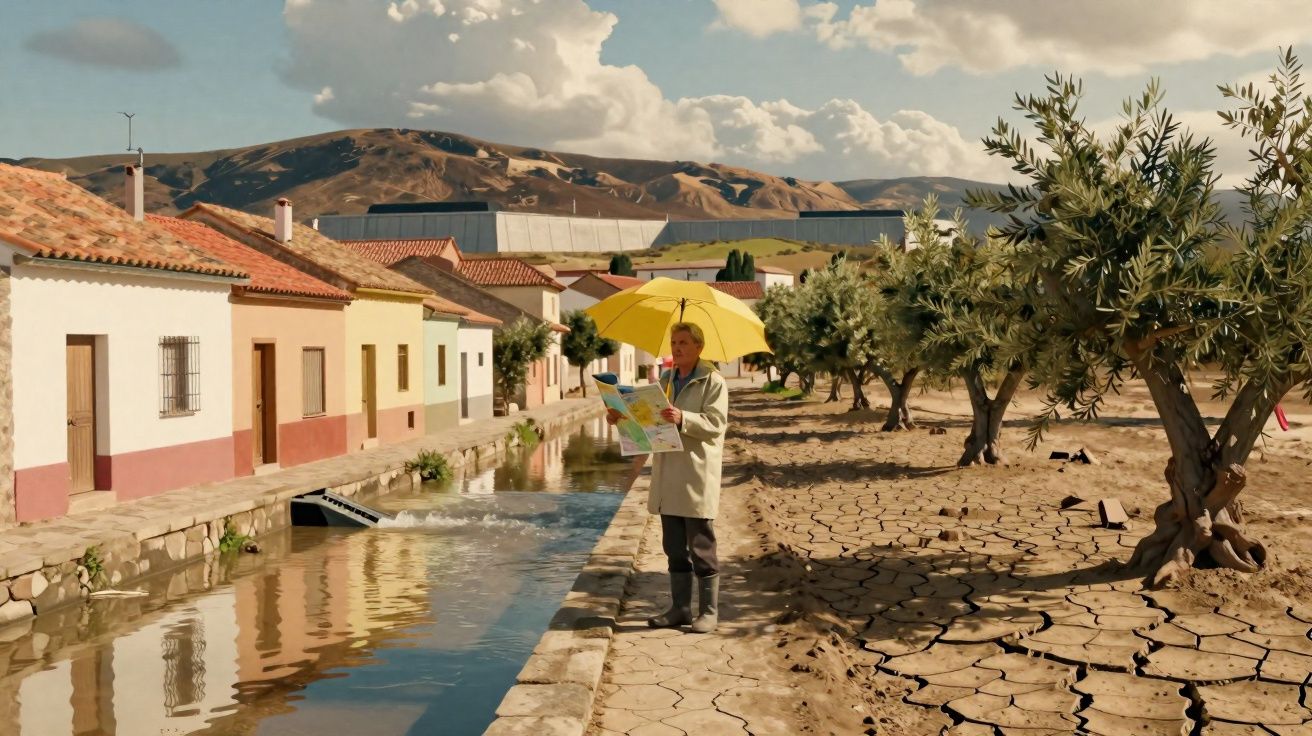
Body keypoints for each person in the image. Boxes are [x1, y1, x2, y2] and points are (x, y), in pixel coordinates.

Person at [607, 322, 728, 633]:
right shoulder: (665, 380)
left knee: (701, 547)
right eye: (674, 342)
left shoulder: (713, 382)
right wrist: (621, 418)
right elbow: (649, 425)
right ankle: (680, 609)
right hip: (667, 474)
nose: (677, 348)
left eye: (684, 342)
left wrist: (683, 417)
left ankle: (709, 612)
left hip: (695, 474)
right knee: (673, 548)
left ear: (699, 347)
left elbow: (716, 424)